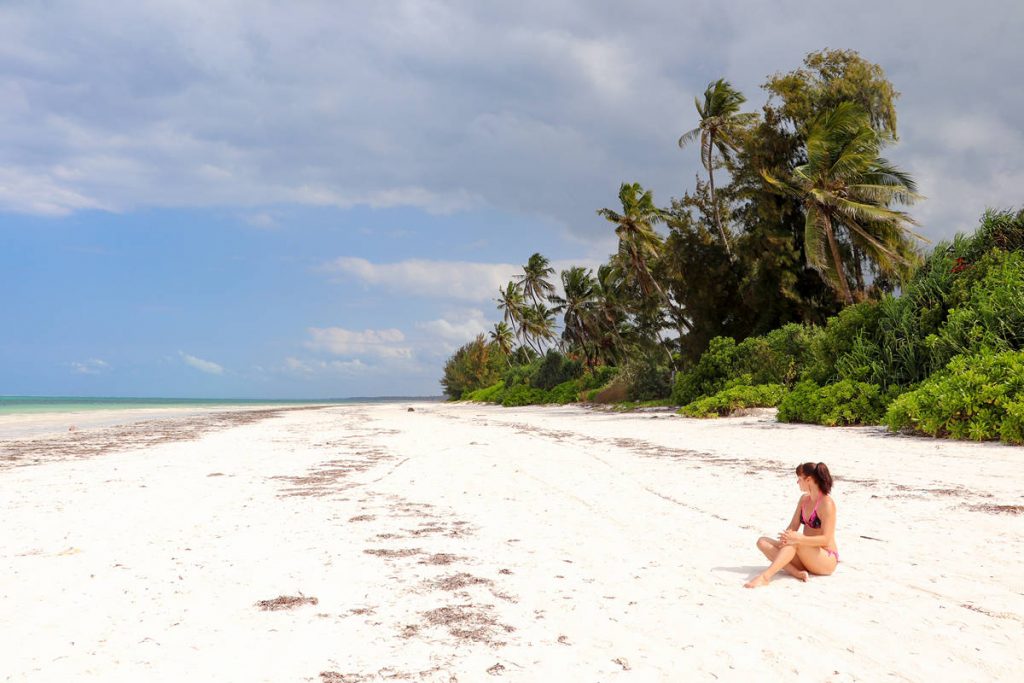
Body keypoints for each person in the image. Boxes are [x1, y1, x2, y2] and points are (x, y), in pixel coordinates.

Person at [744, 462, 839, 588]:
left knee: (794, 540)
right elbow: (793, 526)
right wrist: (785, 539)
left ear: (809, 480)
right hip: (804, 554)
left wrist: (799, 538)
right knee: (762, 542)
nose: (797, 482)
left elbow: (826, 539)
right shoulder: (804, 500)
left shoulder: (827, 503)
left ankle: (765, 577)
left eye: (799, 479)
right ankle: (797, 573)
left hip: (826, 559)